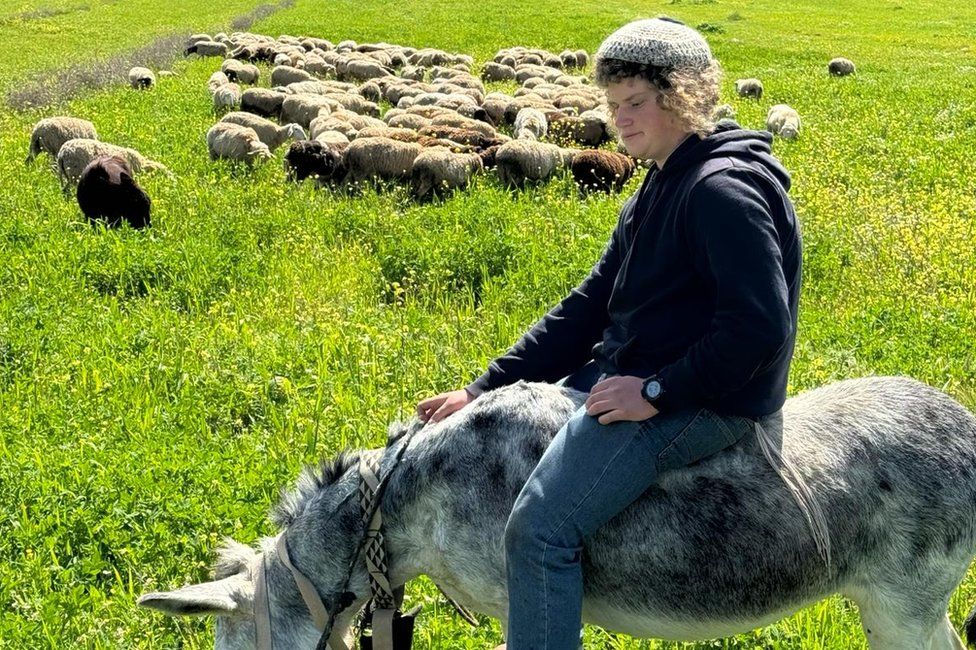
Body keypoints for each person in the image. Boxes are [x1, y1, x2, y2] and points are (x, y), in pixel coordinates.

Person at [417, 17, 801, 650]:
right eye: (613, 103)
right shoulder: (663, 178)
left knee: (538, 530)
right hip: (641, 370)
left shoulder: (720, 191)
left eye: (636, 103)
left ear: (681, 95)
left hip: (710, 399)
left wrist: (653, 390)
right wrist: (482, 389)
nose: (619, 119)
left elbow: (758, 328)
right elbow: (593, 304)